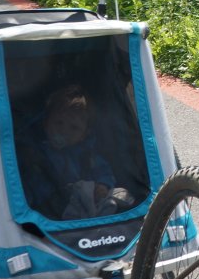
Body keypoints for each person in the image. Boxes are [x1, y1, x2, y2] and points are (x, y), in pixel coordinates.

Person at [20, 84, 134, 221]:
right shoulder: (38, 152)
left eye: (74, 128)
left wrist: (103, 185)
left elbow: (103, 171)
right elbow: (29, 182)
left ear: (84, 135)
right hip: (49, 205)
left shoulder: (87, 155)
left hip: (81, 200)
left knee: (108, 197)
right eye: (58, 123)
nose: (64, 131)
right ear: (46, 123)